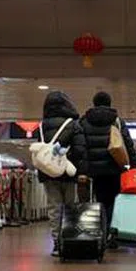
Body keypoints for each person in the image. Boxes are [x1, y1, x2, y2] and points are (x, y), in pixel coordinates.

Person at [39, 90, 88, 257]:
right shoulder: (73, 124)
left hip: (48, 172)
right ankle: (68, 241)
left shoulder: (42, 125)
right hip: (68, 171)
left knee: (54, 208)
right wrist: (81, 172)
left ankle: (56, 243)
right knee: (69, 207)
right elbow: (80, 150)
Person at [80, 91, 136, 228]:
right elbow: (127, 144)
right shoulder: (117, 120)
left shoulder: (84, 121)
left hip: (94, 170)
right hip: (114, 167)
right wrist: (134, 166)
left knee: (99, 200)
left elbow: (81, 146)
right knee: (115, 200)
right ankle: (112, 230)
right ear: (109, 103)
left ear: (94, 104)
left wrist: (82, 169)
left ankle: (101, 230)